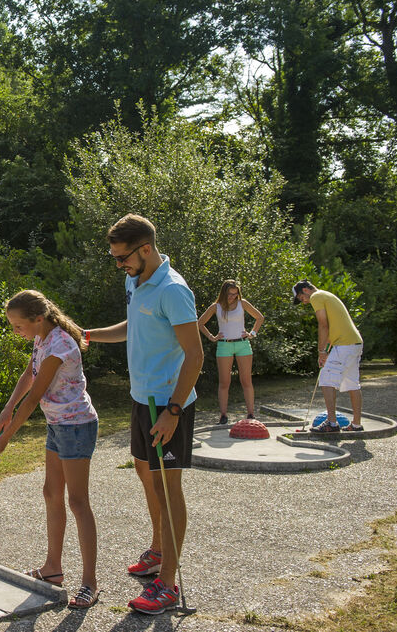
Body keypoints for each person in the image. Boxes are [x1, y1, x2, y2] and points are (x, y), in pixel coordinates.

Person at [85, 214, 203, 615]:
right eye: (116, 258)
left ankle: (167, 585)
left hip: (167, 405)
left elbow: (195, 355)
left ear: (146, 249)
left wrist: (172, 411)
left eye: (123, 258)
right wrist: (88, 334)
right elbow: (131, 326)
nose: (119, 264)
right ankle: (157, 550)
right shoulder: (135, 281)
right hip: (141, 399)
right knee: (146, 477)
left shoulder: (173, 290)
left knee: (169, 492)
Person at [0, 290, 100, 609]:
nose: (16, 331)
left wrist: (6, 436)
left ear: (37, 318)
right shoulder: (43, 337)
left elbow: (35, 396)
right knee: (51, 493)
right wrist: (8, 407)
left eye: (17, 325)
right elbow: (30, 374)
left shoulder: (59, 344)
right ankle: (53, 569)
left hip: (77, 426)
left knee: (78, 502)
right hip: (58, 424)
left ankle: (90, 583)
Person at [292, 280, 364, 432]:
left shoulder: (316, 297)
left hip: (344, 345)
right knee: (352, 384)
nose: (304, 302)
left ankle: (332, 423)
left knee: (325, 379)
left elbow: (323, 324)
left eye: (301, 298)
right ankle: (356, 425)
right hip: (354, 343)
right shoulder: (327, 295)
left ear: (305, 290)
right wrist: (325, 351)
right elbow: (333, 329)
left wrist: (321, 351)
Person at [197, 280, 265, 424]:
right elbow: (200, 323)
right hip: (224, 345)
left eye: (235, 294)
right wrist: (212, 337)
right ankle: (223, 415)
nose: (232, 297)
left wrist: (252, 333)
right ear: (224, 292)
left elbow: (260, 317)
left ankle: (251, 414)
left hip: (243, 345)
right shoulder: (216, 306)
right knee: (224, 382)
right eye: (230, 294)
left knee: (246, 380)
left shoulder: (243, 303)